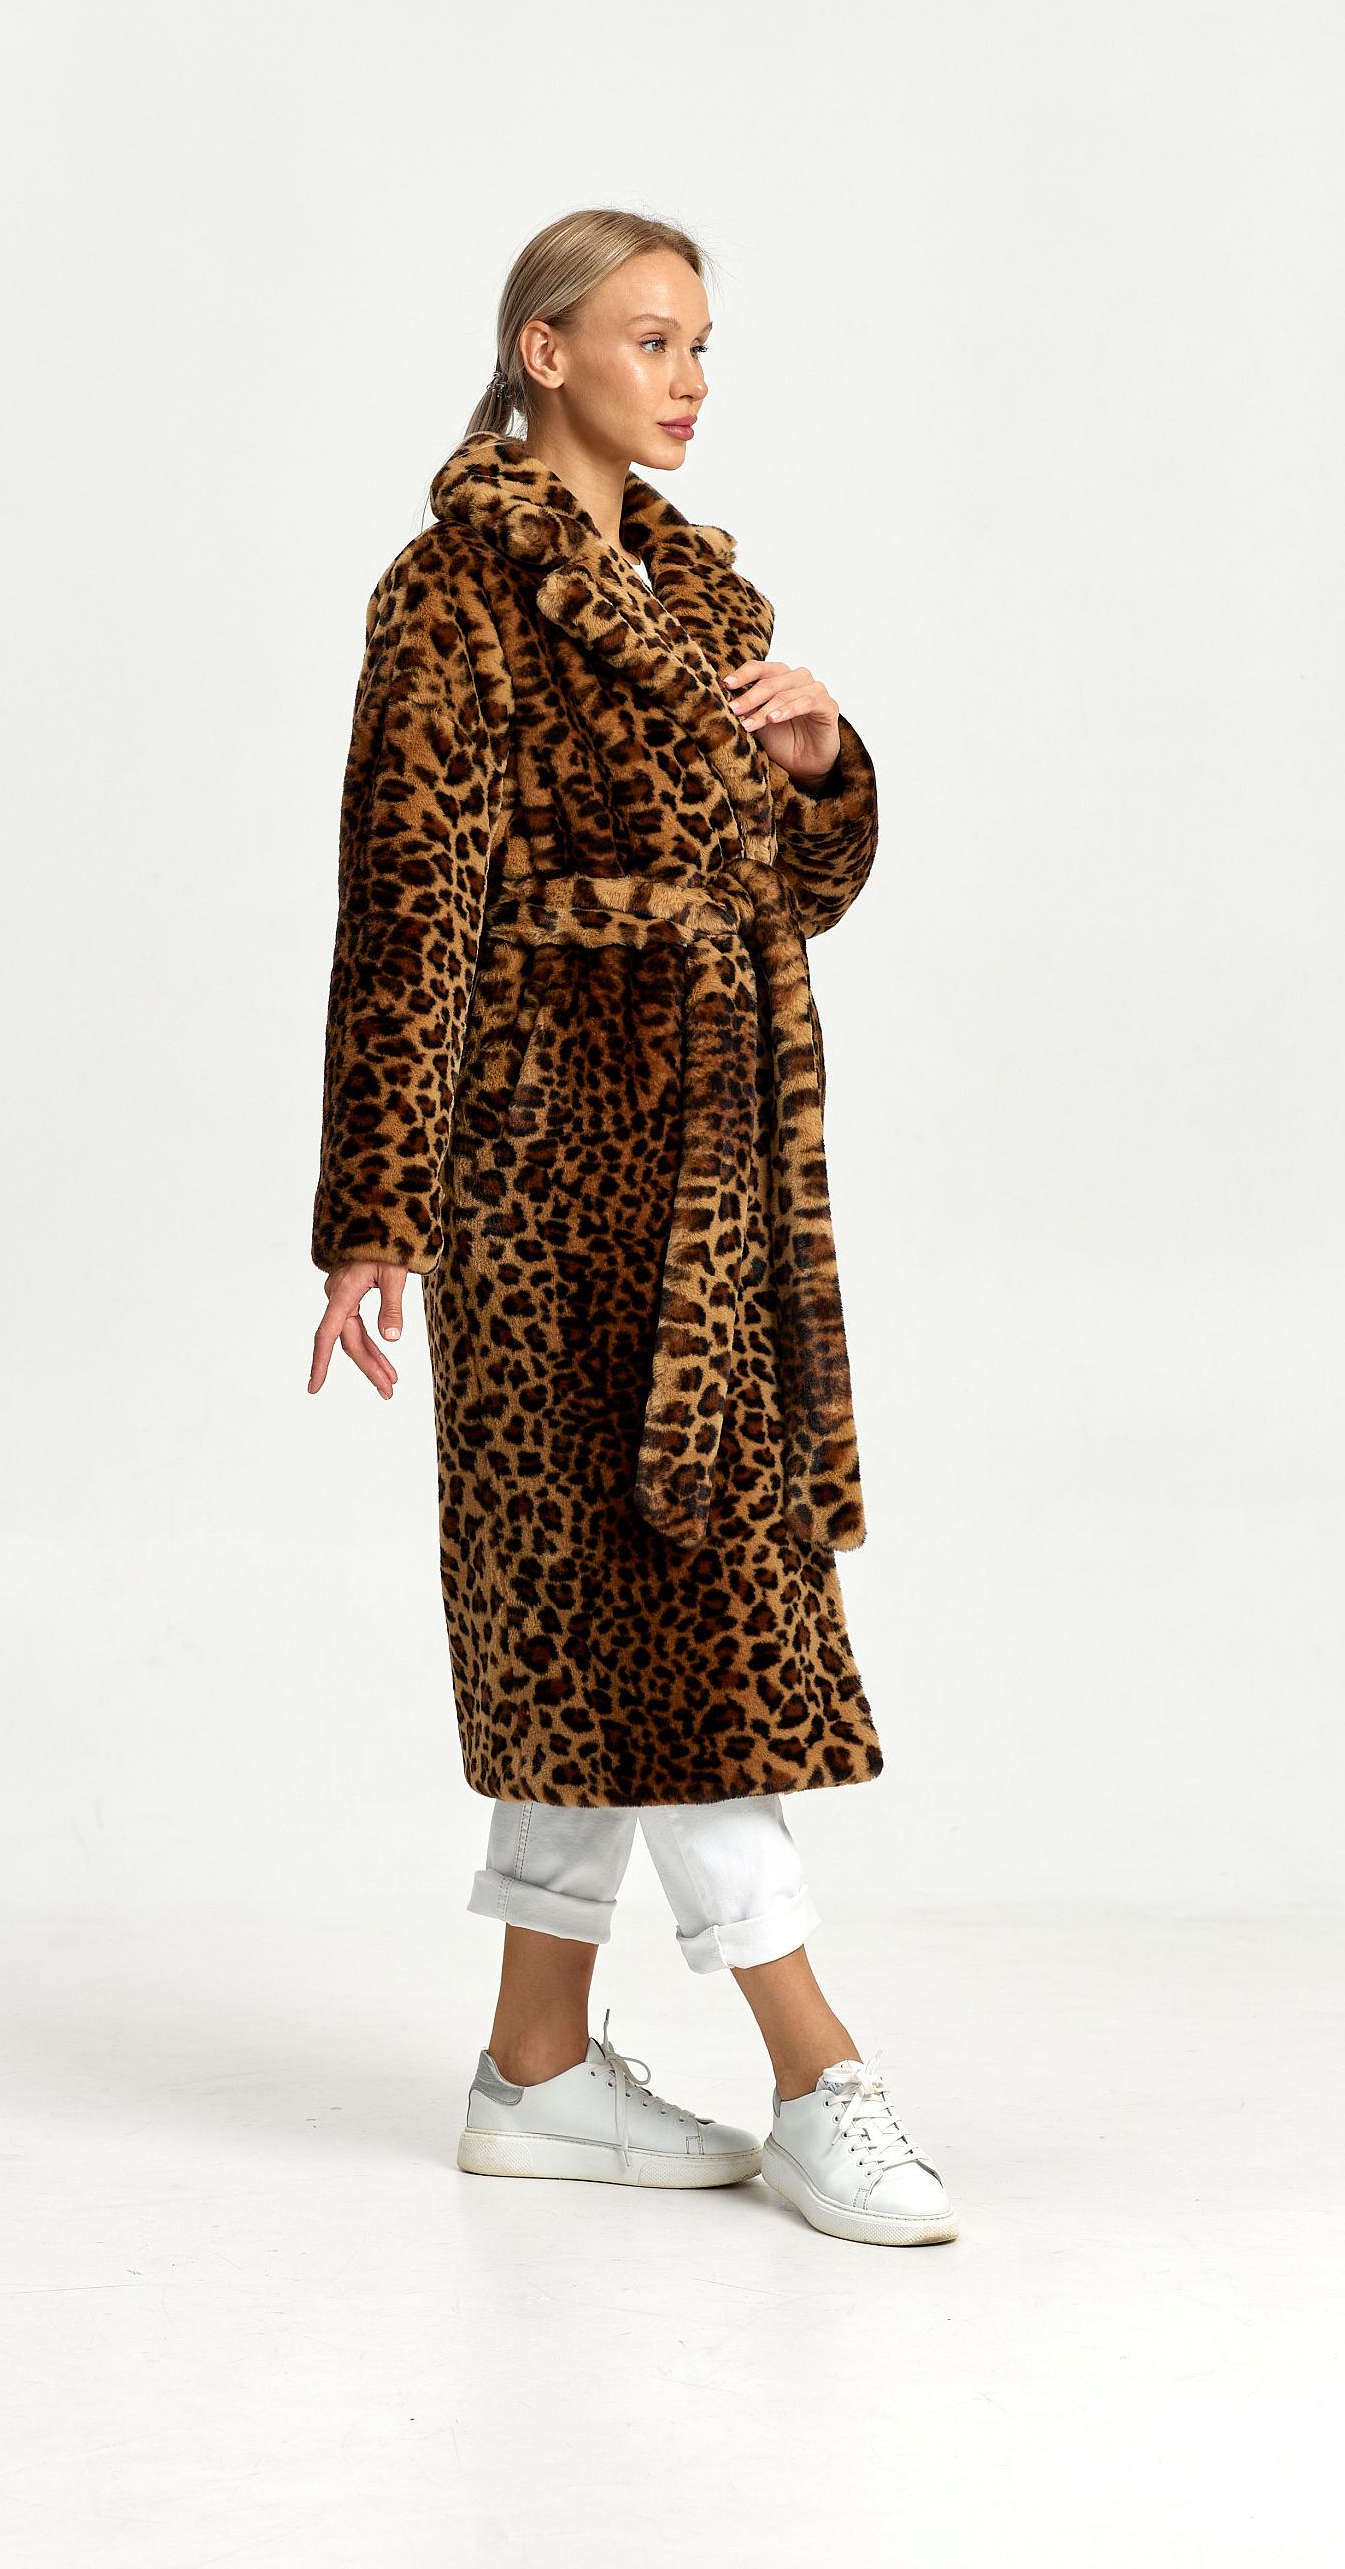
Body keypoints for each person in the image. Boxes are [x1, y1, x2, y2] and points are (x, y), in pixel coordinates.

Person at [307, 209, 955, 2247]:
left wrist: (821, 770)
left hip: (718, 1172)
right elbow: (407, 905)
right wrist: (375, 1212)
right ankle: (817, 2067)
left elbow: (788, 893)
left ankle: (534, 2067)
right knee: (684, 1602)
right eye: (652, 339)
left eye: (703, 345)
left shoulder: (698, 594)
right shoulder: (452, 594)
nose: (689, 378)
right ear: (547, 351)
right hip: (547, 1174)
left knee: (593, 1609)